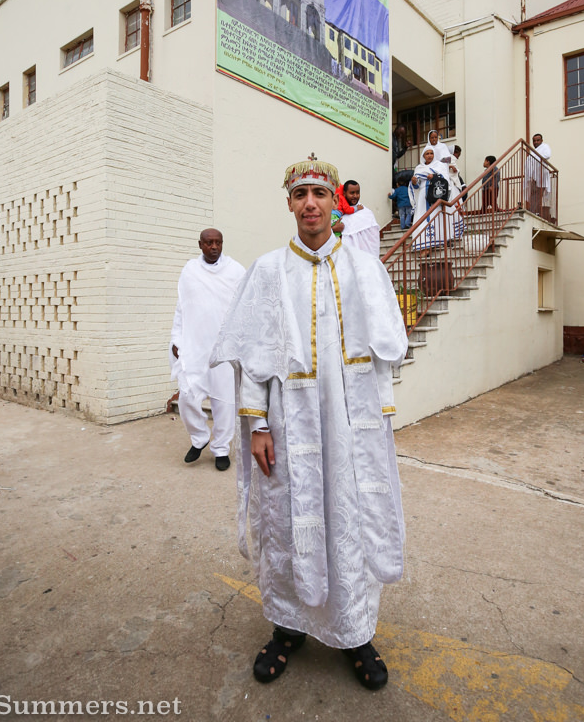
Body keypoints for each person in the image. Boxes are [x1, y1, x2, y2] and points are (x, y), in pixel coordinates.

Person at [211, 159, 407, 690]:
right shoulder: (270, 270)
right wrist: (255, 425)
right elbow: (252, 358)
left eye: (319, 192)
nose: (311, 203)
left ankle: (356, 632)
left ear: (334, 202)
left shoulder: (366, 269)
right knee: (286, 523)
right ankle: (286, 627)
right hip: (288, 425)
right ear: (290, 203)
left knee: (351, 517)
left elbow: (388, 355)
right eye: (300, 194)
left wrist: (379, 415)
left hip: (350, 429)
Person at [169, 228, 245, 471]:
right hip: (194, 345)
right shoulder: (190, 271)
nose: (214, 247)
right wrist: (176, 339)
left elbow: (246, 305)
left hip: (224, 347)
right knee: (187, 396)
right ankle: (199, 438)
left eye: (218, 243)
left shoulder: (235, 270)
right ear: (200, 245)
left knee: (224, 401)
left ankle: (221, 448)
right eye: (209, 243)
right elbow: (182, 308)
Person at [408, 148, 452, 249]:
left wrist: (434, 177)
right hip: (423, 197)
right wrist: (414, 182)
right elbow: (416, 187)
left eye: (431, 153)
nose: (429, 155)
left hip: (436, 194)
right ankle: (425, 245)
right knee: (422, 219)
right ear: (423, 156)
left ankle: (440, 241)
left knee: (436, 217)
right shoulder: (419, 168)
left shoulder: (439, 165)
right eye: (427, 154)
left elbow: (445, 180)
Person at [336, 180, 381, 257]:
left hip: (367, 260)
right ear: (344, 193)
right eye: (352, 193)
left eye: (357, 193)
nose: (355, 196)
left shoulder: (366, 213)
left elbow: (374, 241)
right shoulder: (338, 213)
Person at [524, 133, 552, 219]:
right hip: (534, 177)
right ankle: (532, 211)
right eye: (534, 141)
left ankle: (535, 212)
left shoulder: (545, 147)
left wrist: (536, 158)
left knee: (538, 195)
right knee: (532, 195)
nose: (536, 142)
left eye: (538, 140)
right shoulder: (534, 150)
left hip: (541, 175)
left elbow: (547, 155)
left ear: (541, 140)